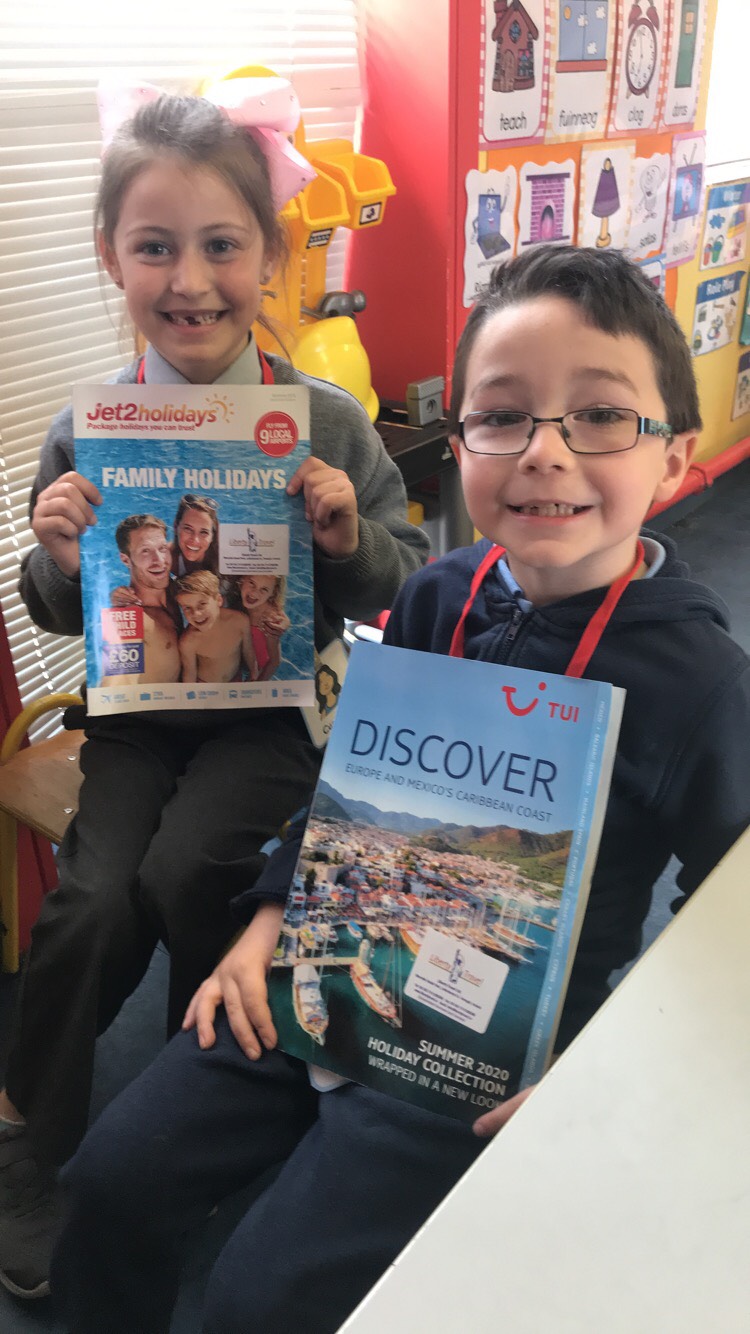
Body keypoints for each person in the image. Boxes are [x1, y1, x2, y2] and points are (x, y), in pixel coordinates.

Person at [48, 245, 750, 1333]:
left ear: (674, 459)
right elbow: (346, 788)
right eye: (503, 416)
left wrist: (605, 1075)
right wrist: (268, 921)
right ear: (460, 443)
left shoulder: (699, 683)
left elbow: (727, 931)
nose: (545, 451)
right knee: (108, 1181)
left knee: (260, 1300)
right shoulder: (435, 595)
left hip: (495, 1040)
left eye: (602, 416)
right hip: (330, 952)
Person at [0, 85, 428, 1301]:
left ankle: (207, 1096)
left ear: (271, 253)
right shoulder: (89, 426)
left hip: (272, 716)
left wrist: (347, 535)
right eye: (154, 247)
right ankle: (31, 1138)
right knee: (92, 903)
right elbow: (54, 604)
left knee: (192, 871)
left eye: (221, 244)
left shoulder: (324, 421)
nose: (190, 280)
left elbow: (405, 580)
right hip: (138, 718)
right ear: (110, 255)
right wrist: (56, 552)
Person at [101, 515, 183, 686]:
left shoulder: (173, 591)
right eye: (145, 551)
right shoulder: (129, 618)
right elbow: (114, 683)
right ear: (126, 560)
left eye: (162, 548)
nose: (159, 561)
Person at [175, 571, 256, 683]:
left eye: (202, 604)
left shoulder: (240, 621)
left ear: (219, 600)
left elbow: (248, 650)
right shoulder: (189, 641)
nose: (196, 614)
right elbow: (190, 673)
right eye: (187, 608)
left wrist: (254, 671)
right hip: (205, 685)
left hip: (235, 680)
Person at [236, 573, 289, 680]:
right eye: (252, 583)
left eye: (264, 589)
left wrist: (259, 683)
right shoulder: (238, 602)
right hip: (242, 656)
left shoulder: (269, 620)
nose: (254, 592)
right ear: (242, 580)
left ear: (273, 593)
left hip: (259, 665)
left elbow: (275, 661)